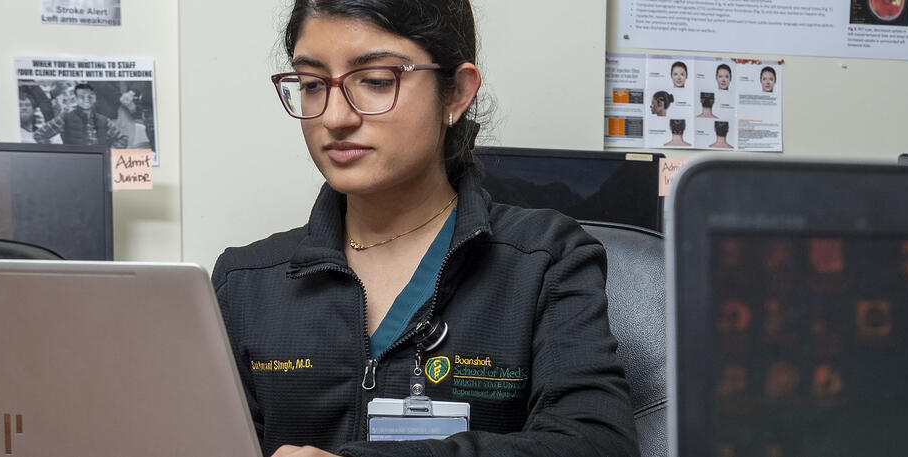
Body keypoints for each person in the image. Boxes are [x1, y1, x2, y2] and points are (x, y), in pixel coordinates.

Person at [212, 1, 639, 456]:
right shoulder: (245, 282)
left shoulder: (545, 260)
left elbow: (597, 443)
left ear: (456, 92)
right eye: (313, 85)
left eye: (376, 81)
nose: (334, 118)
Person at [34, 83, 128, 148]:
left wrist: (108, 152)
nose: (86, 100)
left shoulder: (103, 120)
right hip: (74, 163)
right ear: (76, 99)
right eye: (82, 97)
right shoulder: (65, 118)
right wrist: (57, 152)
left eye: (90, 96)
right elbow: (39, 135)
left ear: (95, 98)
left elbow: (122, 139)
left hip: (98, 163)